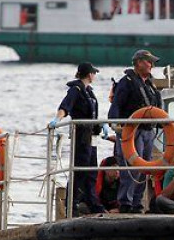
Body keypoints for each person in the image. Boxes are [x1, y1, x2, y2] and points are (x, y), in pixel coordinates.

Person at [48, 62, 108, 215]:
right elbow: (65, 106)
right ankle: (71, 203)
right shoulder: (76, 90)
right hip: (81, 135)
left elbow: (92, 114)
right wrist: (57, 119)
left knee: (91, 170)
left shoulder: (89, 91)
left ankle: (92, 201)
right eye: (94, 73)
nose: (95, 76)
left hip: (91, 135)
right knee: (80, 169)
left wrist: (101, 124)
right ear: (89, 74)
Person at [108, 49, 163, 213]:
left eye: (152, 62)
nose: (151, 65)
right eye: (148, 61)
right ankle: (126, 202)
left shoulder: (150, 84)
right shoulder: (127, 82)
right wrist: (116, 125)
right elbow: (116, 106)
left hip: (148, 132)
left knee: (145, 168)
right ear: (139, 62)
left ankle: (137, 202)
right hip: (132, 131)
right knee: (132, 167)